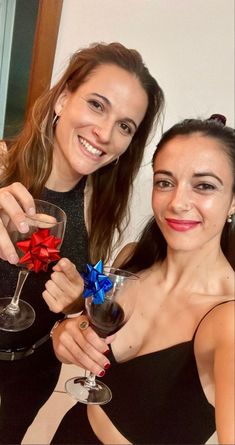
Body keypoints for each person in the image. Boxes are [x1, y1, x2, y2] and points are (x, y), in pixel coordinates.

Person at [0, 42, 164, 444]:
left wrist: (74, 307)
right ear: (63, 98)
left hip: (29, 374)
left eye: (126, 126)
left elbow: (77, 309)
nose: (105, 133)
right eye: (97, 105)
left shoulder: (99, 206)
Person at [51, 116, 235, 445]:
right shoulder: (130, 260)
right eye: (165, 182)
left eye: (204, 185)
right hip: (70, 432)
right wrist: (66, 331)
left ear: (233, 199)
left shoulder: (228, 321)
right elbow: (89, 326)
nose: (178, 202)